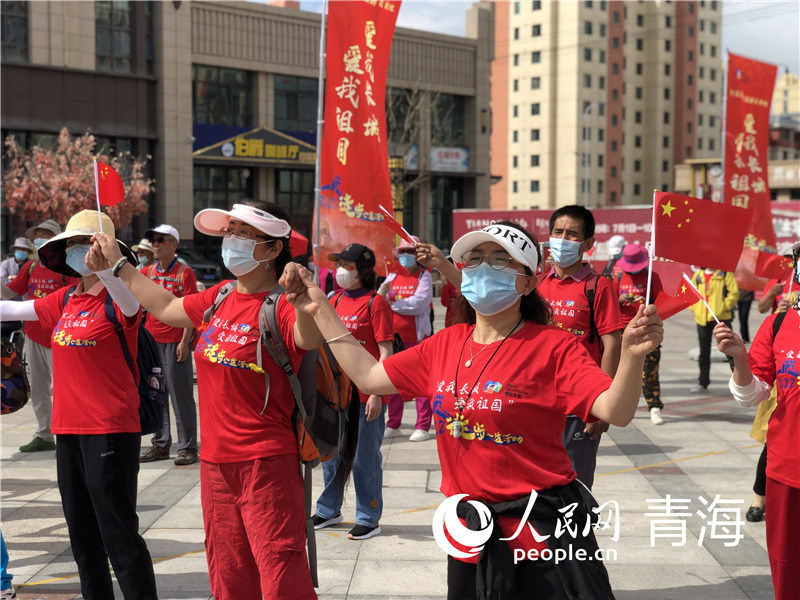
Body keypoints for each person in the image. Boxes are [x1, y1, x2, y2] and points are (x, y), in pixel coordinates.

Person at [281, 221, 663, 600]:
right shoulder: (444, 343)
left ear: (529, 282)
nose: (484, 268)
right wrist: (320, 309)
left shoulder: (553, 346)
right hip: (469, 525)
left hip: (538, 526)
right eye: (475, 259)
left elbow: (615, 410)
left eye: (500, 260)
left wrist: (631, 359)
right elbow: (369, 376)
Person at [90, 201, 319, 599]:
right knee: (229, 574)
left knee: (281, 575)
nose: (230, 241)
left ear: (272, 249)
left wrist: (304, 302)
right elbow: (166, 306)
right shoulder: (221, 295)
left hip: (265, 464)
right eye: (228, 231)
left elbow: (308, 339)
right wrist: (120, 267)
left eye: (242, 233)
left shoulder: (281, 304)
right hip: (215, 466)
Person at [0, 210, 157, 599]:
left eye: (83, 243)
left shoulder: (123, 296)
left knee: (119, 537)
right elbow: (12, 309)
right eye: (70, 244)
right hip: (67, 431)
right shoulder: (66, 298)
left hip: (110, 430)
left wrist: (108, 268)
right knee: (83, 540)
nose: (76, 252)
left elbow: (126, 300)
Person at [713, 241, 800, 600]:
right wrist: (740, 359)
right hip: (787, 467)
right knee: (788, 566)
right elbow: (752, 395)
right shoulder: (779, 323)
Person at [535, 205, 623, 489]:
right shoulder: (536, 286)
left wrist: (602, 407)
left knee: (575, 487)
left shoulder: (598, 286)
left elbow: (612, 345)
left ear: (587, 244)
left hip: (579, 406)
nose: (562, 239)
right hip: (538, 403)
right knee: (536, 487)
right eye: (558, 232)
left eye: (572, 234)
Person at [312, 243, 393, 540]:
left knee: (364, 458)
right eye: (339, 264)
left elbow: (386, 353)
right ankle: (328, 509)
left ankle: (369, 516)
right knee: (331, 454)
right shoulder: (333, 300)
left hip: (364, 395)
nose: (340, 271)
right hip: (336, 394)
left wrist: (377, 394)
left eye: (347, 265)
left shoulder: (376, 303)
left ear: (362, 270)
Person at [1, 219, 79, 452]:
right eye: (38, 235)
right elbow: (11, 293)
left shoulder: (66, 266)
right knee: (39, 389)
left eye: (45, 234)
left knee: (66, 389)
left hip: (59, 336)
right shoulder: (32, 267)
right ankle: (44, 434)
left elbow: (76, 298)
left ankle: (71, 433)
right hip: (33, 335)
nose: (39, 239)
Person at [138, 224, 200, 466]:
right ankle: (161, 444)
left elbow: (192, 310)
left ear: (173, 245)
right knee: (156, 394)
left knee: (180, 396)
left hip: (175, 344)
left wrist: (185, 341)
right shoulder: (146, 273)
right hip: (152, 343)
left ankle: (187, 447)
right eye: (152, 240)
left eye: (160, 241)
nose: (154, 245)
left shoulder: (185, 274)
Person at [379, 236, 434, 442]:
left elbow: (418, 304)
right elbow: (379, 297)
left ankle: (422, 425)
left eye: (410, 252)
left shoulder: (424, 276)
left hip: (417, 338)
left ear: (418, 256)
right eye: (402, 252)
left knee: (418, 383)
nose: (405, 256)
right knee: (393, 381)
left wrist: (392, 304)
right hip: (394, 338)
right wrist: (385, 298)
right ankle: (393, 423)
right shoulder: (392, 275)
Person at [612, 243, 665, 425]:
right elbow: (609, 305)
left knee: (650, 371)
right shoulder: (617, 277)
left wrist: (649, 303)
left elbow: (662, 304)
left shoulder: (652, 277)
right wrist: (619, 299)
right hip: (623, 331)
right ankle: (621, 408)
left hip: (647, 330)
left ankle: (654, 406)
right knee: (622, 372)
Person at [688, 267, 738, 393]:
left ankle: (739, 383)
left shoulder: (725, 273)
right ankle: (703, 382)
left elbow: (734, 293)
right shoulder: (698, 275)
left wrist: (724, 307)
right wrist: (695, 308)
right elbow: (691, 293)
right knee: (703, 353)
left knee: (730, 352)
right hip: (702, 319)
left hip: (721, 319)